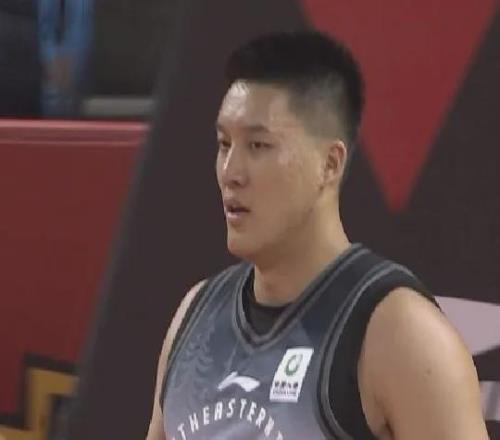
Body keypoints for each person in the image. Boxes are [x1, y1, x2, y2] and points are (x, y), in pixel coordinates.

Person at [146, 31, 488, 439]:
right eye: (224, 144)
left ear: (330, 163)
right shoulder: (194, 317)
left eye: (258, 146)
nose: (230, 172)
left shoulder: (401, 334)